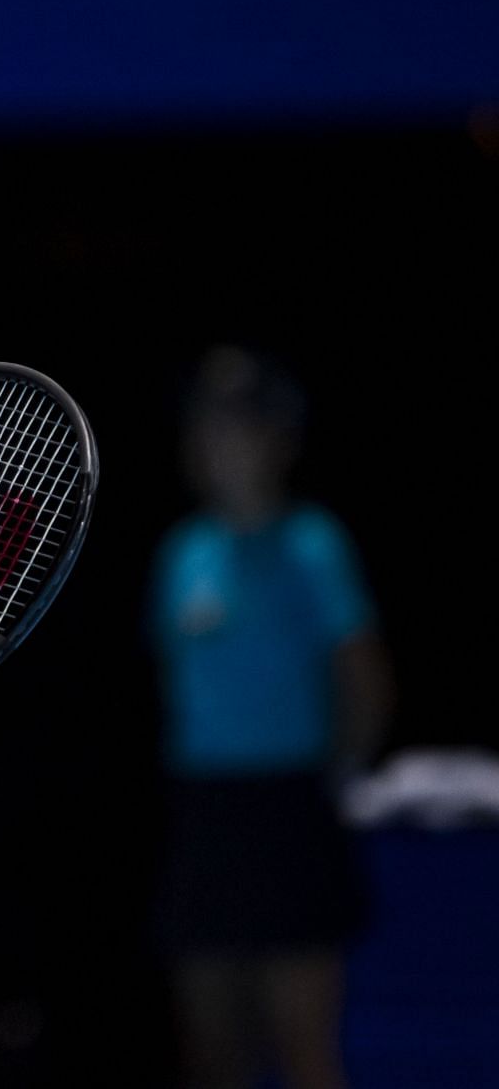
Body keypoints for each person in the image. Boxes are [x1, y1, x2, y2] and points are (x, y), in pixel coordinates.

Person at [148, 347, 394, 1089]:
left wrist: (337, 773)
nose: (223, 441)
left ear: (280, 439)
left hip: (290, 805)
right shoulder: (181, 551)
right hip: (205, 810)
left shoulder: (316, 545)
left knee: (303, 1045)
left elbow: (365, 679)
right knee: (214, 1048)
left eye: (243, 425)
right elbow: (171, 682)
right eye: (210, 424)